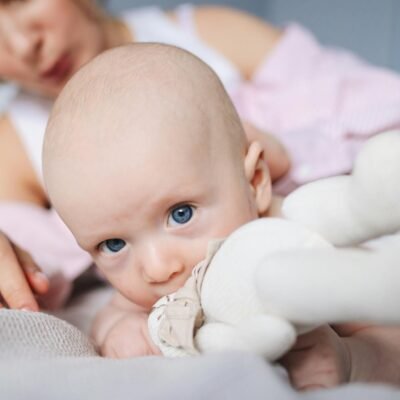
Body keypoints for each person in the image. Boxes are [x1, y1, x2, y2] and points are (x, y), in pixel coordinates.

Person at [43, 43, 400, 390]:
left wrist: (354, 360)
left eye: (180, 214)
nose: (157, 268)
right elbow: (111, 311)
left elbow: (389, 334)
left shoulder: (304, 241)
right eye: (113, 244)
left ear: (255, 181)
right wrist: (117, 330)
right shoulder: (149, 291)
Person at [0, 0, 292, 311]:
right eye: (112, 243)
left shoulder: (213, 34)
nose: (23, 45)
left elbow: (350, 116)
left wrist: (283, 158)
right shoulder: (12, 146)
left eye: (19, 0)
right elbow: (33, 267)